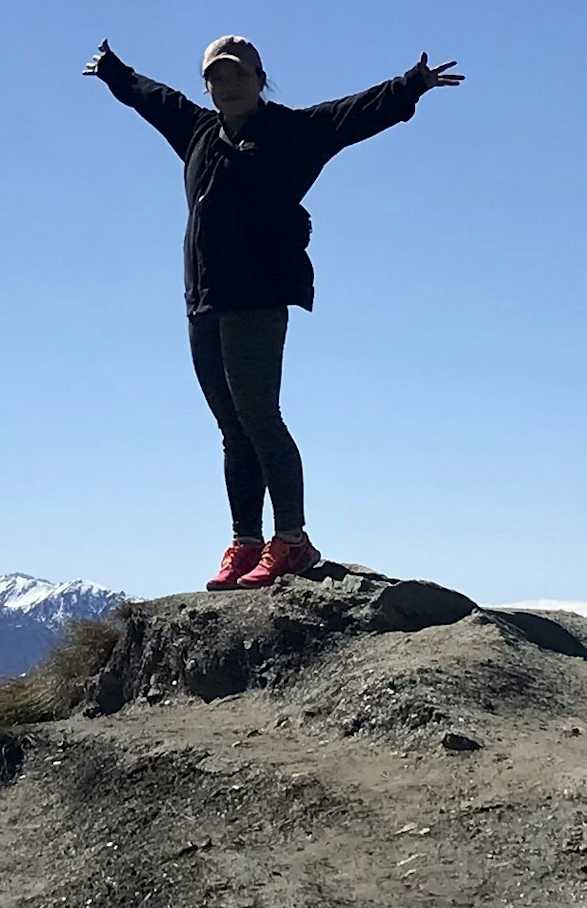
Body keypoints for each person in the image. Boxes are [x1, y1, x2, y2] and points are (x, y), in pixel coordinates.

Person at [83, 34, 464, 589]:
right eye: (217, 75)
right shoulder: (197, 132)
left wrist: (412, 85)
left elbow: (352, 115)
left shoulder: (292, 131)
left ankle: (292, 542)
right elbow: (153, 98)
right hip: (203, 298)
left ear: (261, 80)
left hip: (258, 296)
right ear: (207, 84)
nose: (228, 83)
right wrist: (115, 71)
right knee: (231, 427)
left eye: (239, 73)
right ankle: (245, 541)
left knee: (259, 416)